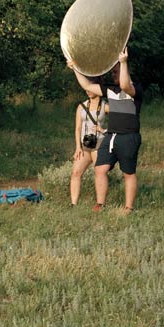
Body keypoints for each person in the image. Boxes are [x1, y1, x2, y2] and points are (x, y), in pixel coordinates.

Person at [68, 46, 143, 214]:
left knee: (128, 173)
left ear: (126, 71)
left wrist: (123, 62)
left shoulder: (135, 90)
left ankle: (128, 208)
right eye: (113, 73)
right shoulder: (110, 90)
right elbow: (86, 85)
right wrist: (75, 68)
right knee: (100, 169)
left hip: (128, 137)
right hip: (111, 137)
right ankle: (100, 204)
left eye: (115, 72)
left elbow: (125, 84)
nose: (113, 75)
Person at [70, 89, 106, 206]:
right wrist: (78, 147)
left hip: (99, 144)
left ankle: (100, 204)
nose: (87, 91)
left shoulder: (105, 106)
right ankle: (73, 204)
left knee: (99, 173)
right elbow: (77, 129)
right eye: (86, 89)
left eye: (90, 89)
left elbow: (119, 121)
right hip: (84, 145)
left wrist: (103, 130)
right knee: (75, 172)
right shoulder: (81, 106)